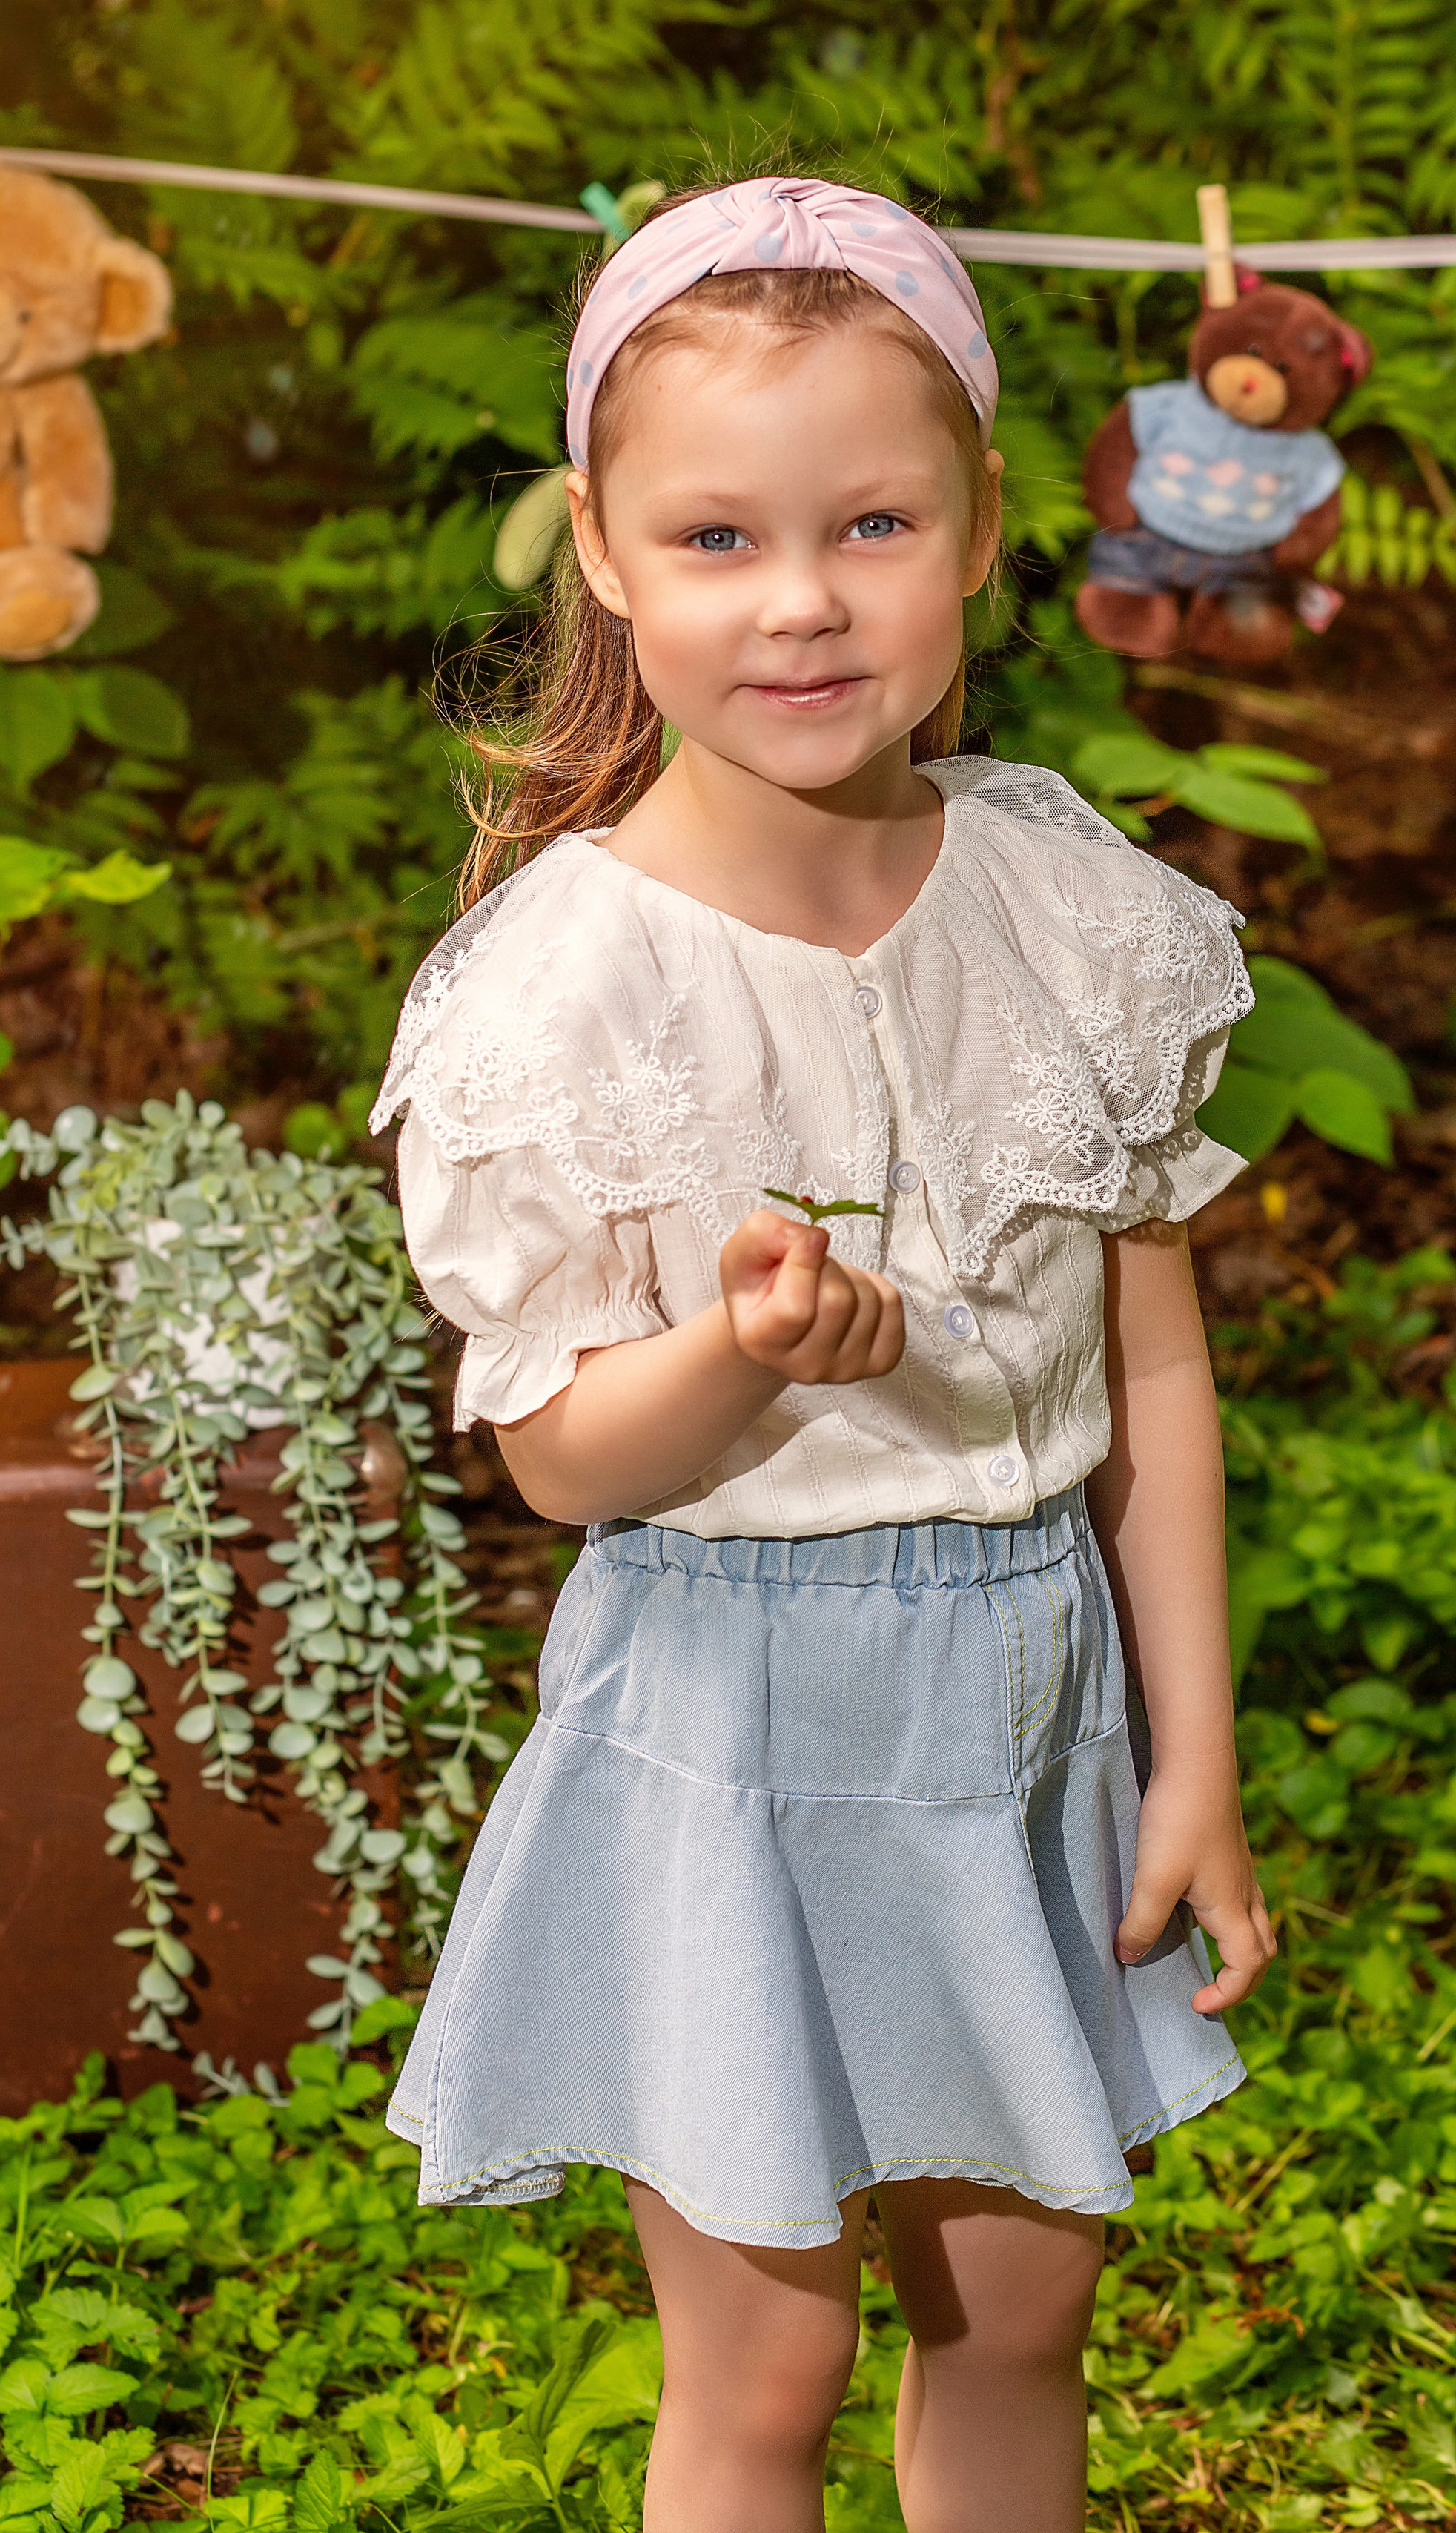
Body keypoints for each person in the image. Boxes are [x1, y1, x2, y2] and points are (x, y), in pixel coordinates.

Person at [370, 176, 1277, 2533]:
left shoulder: (1070, 911)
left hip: (1032, 1706)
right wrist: (740, 1359)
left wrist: (1200, 1761)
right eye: (718, 535)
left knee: (1023, 2324)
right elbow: (570, 1468)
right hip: (730, 1730)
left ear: (978, 532)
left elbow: (1151, 1383)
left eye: (873, 520)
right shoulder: (564, 993)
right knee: (761, 2373)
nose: (800, 601)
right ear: (605, 553)